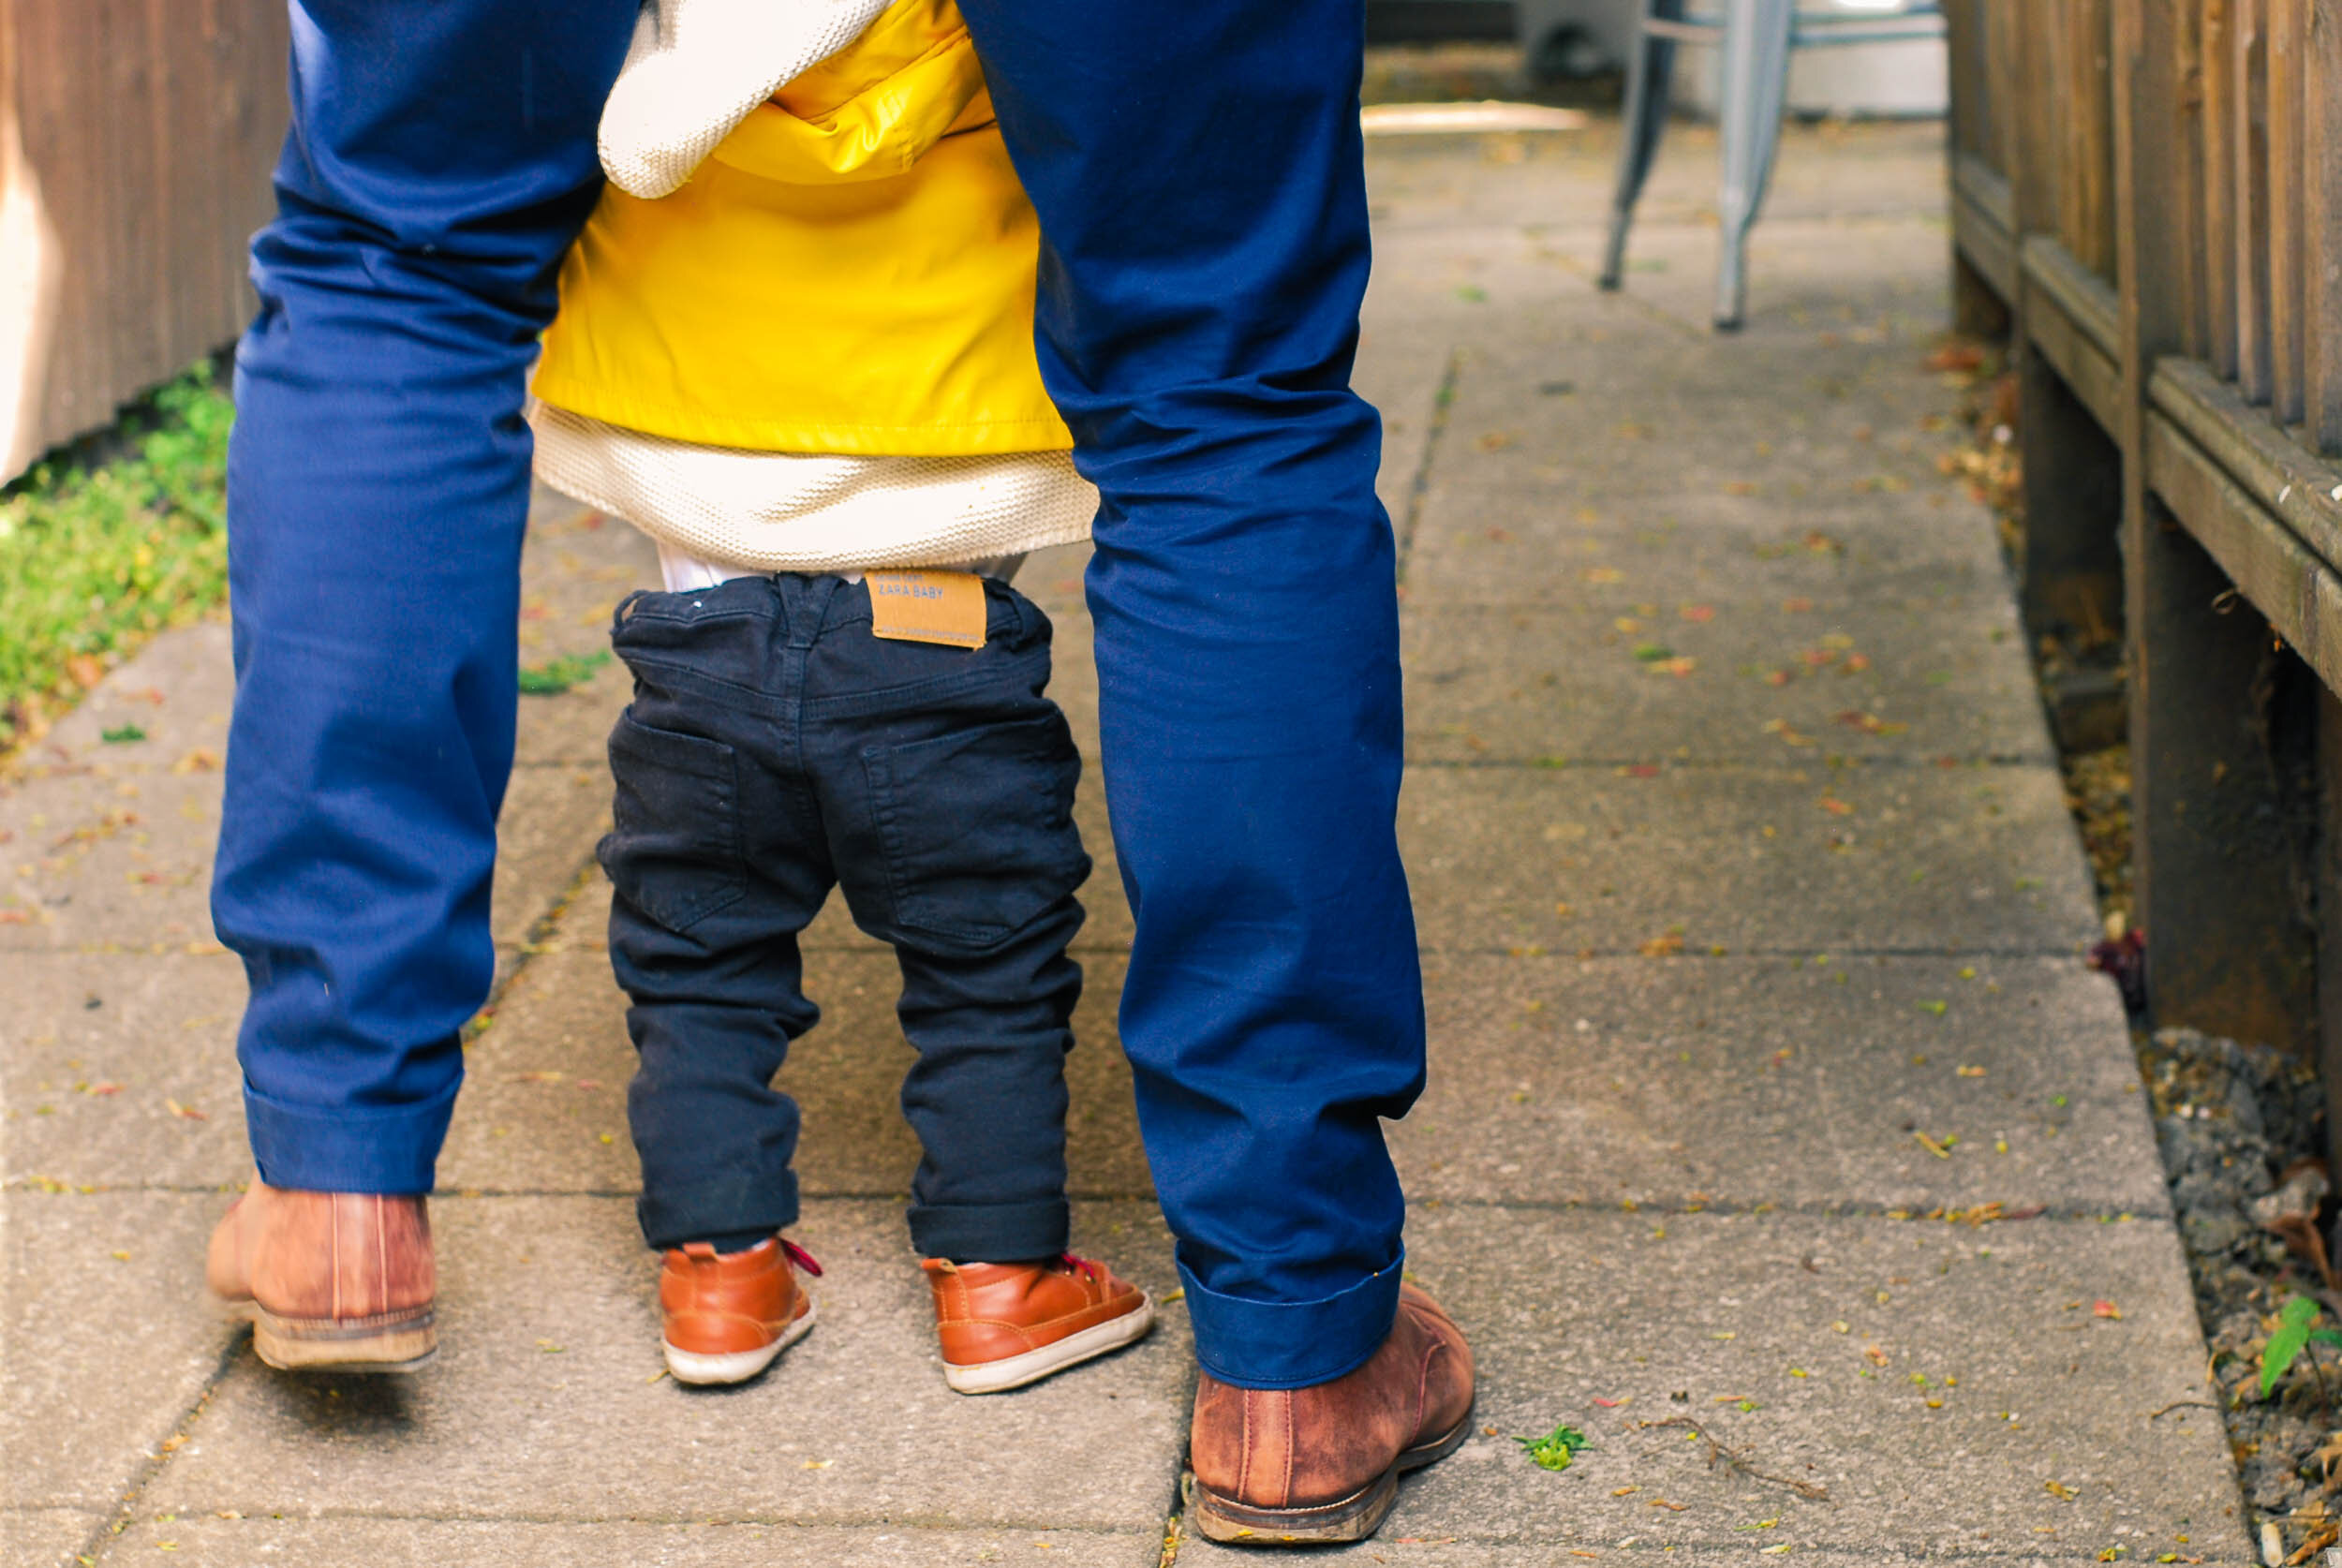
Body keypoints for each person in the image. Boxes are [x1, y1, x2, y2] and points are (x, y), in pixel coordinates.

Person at [202, 0, 1471, 1544]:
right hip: (934, 629)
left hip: (713, 632)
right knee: (1221, 376)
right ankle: (1297, 1341)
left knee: (398, 267)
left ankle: (339, 1181)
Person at [527, 0, 1150, 1393]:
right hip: (938, 621)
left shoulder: (649, 55)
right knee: (988, 967)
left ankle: (719, 1281)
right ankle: (1002, 1282)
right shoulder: (988, 42)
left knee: (696, 960)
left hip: (701, 627)